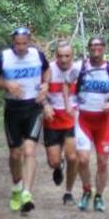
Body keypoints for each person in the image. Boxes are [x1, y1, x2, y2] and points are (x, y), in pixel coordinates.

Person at [0, 27, 50, 213]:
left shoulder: (37, 55)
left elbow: (47, 71)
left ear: (29, 41)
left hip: (34, 108)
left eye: (24, 43)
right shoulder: (4, 57)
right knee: (15, 154)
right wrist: (5, 83)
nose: (21, 47)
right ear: (12, 42)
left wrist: (45, 85)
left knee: (30, 150)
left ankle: (27, 193)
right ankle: (16, 187)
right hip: (13, 109)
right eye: (17, 44)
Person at [75, 36, 109, 212]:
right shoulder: (80, 67)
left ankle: (99, 196)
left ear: (104, 47)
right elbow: (68, 86)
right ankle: (86, 190)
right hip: (83, 120)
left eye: (99, 45)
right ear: (89, 48)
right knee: (83, 159)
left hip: (103, 122)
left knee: (102, 162)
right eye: (93, 45)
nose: (96, 48)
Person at [43, 41, 79, 205]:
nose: (63, 60)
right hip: (52, 119)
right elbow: (39, 90)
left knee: (73, 157)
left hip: (72, 118)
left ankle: (68, 192)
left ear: (72, 55)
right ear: (55, 56)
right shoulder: (48, 70)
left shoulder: (79, 70)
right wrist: (45, 105)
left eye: (67, 56)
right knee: (54, 161)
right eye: (60, 56)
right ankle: (58, 166)